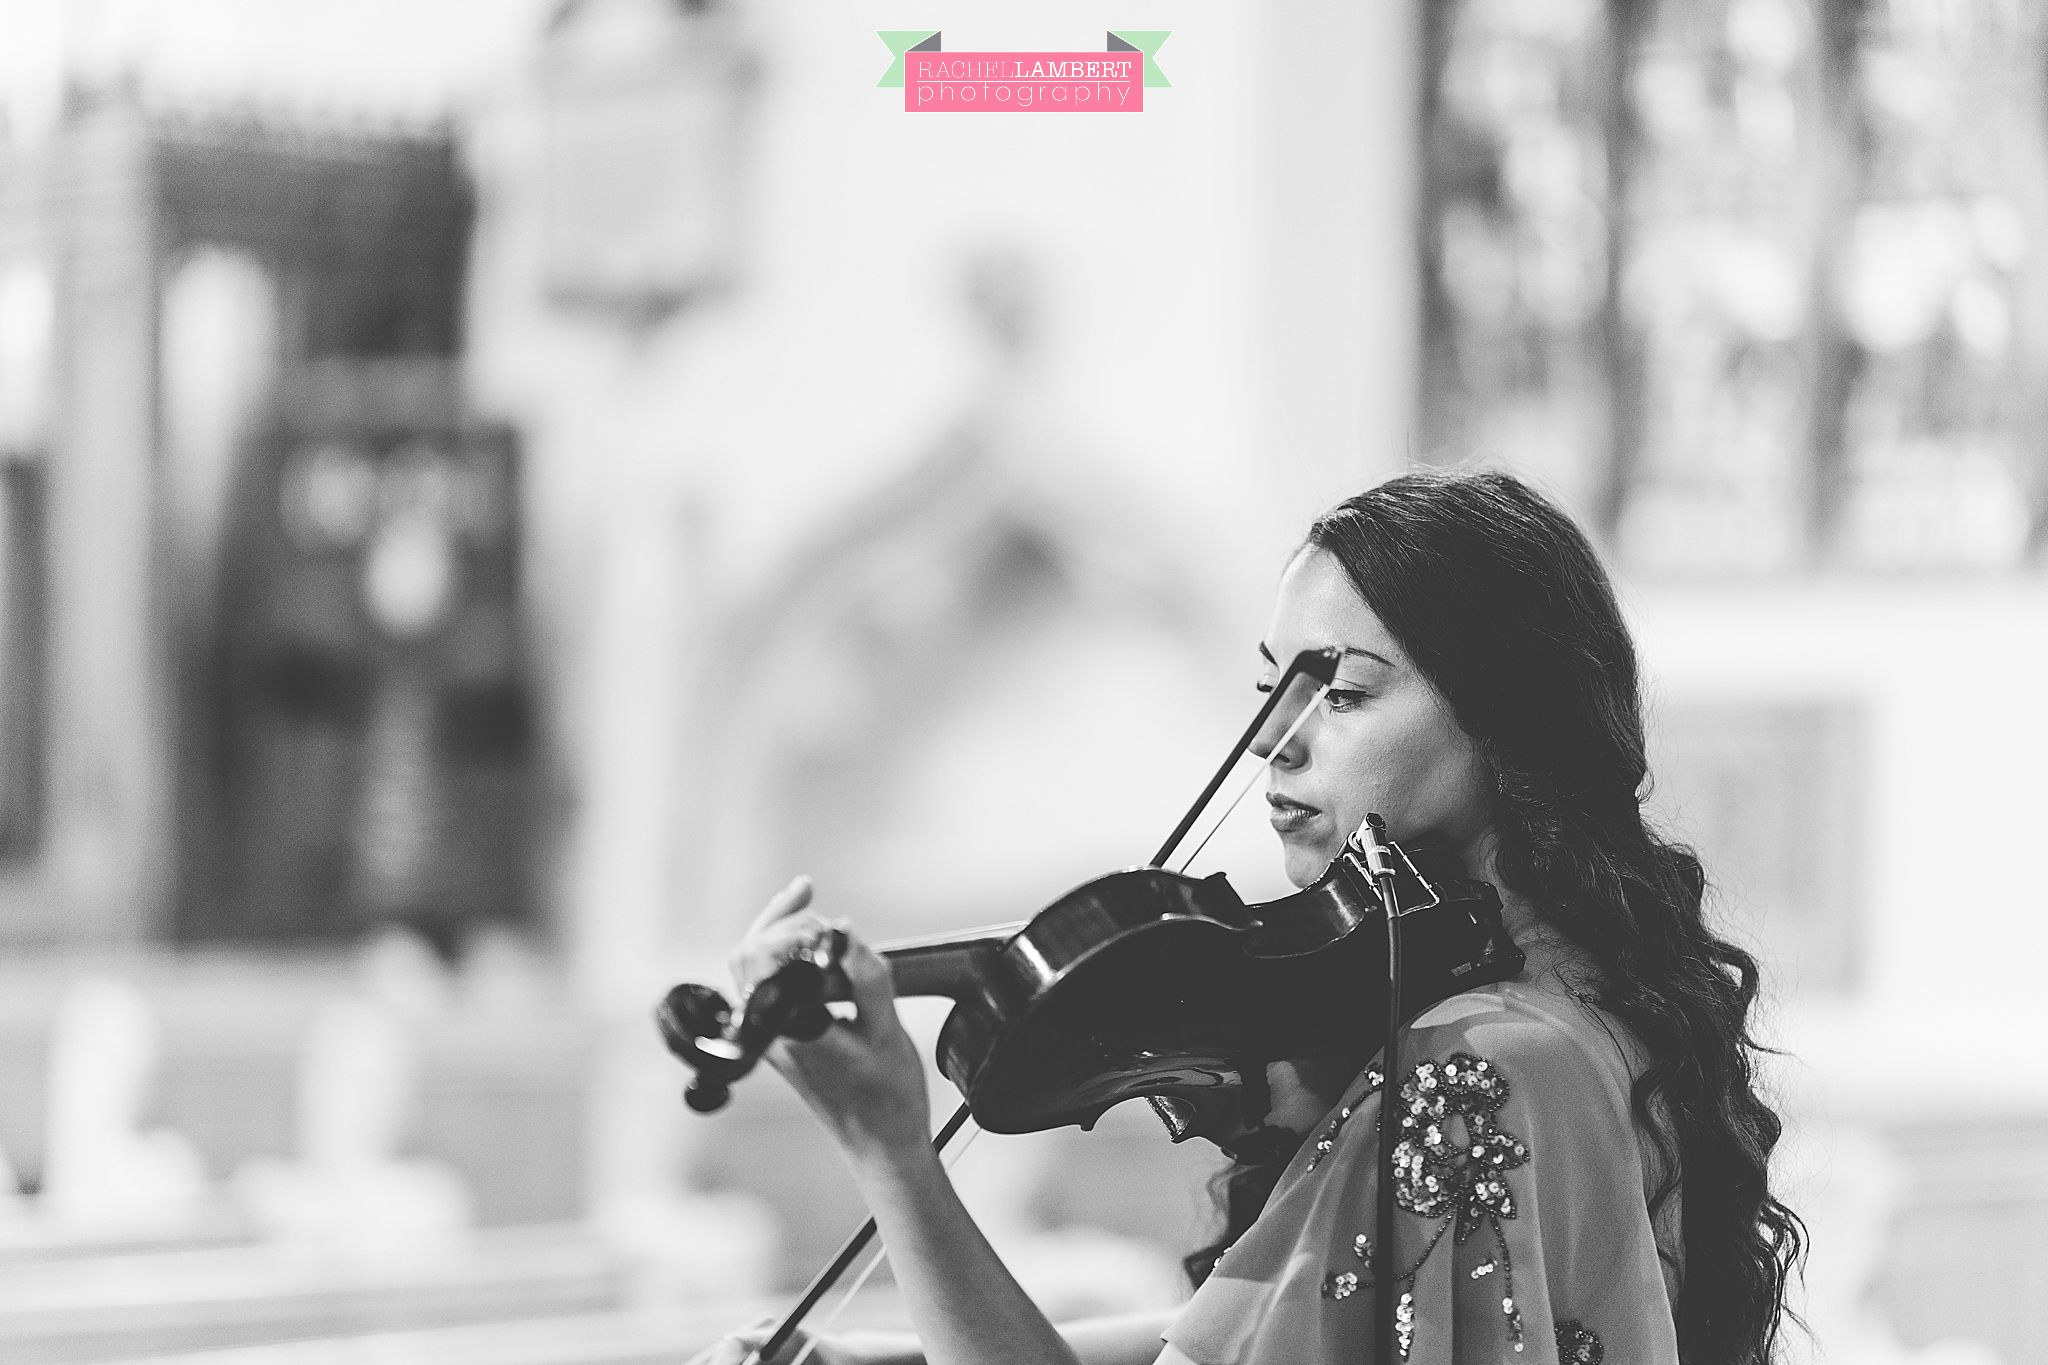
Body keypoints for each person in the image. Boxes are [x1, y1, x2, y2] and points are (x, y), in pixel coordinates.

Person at [693, 470, 1804, 1365]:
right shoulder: (1591, 1012)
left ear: (1505, 719)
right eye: (1271, 686)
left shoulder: (1471, 1066)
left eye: (1347, 691)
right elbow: (1255, 1331)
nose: (1279, 739)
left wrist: (893, 1157)